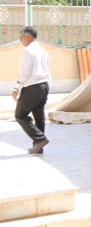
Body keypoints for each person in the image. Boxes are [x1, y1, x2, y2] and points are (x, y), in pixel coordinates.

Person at [13, 26, 51, 154]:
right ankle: (39, 146)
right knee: (39, 115)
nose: (20, 40)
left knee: (20, 115)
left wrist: (16, 88)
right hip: (44, 86)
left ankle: (39, 139)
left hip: (32, 87)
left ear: (29, 37)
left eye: (22, 37)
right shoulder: (43, 51)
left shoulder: (28, 51)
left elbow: (25, 74)